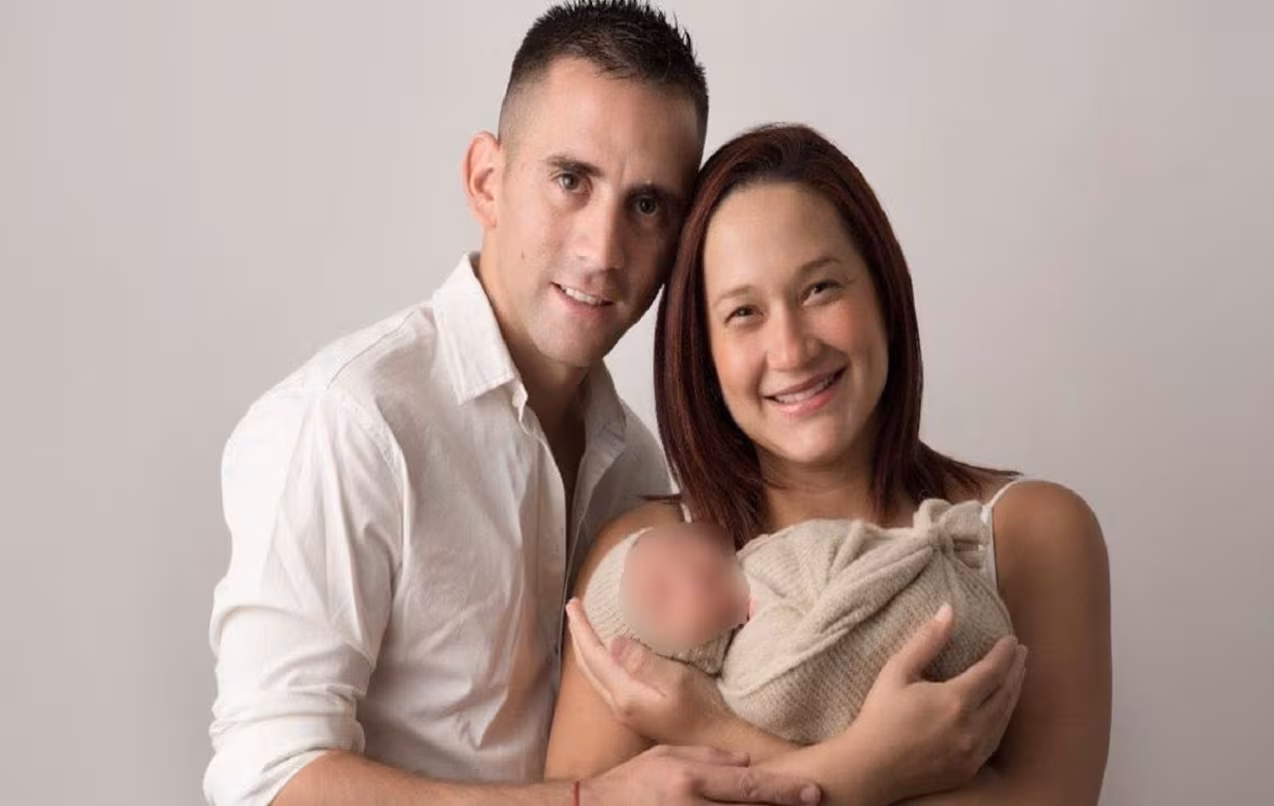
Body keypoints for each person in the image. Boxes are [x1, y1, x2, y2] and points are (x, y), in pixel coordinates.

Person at [204, 4, 826, 805]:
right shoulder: (352, 422)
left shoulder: (633, 463)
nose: (602, 250)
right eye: (571, 180)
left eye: (646, 205)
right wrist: (591, 803)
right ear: (486, 181)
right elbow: (267, 781)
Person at [547, 124, 1112, 805]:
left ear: (883, 293)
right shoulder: (645, 568)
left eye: (819, 290)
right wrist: (871, 768)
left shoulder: (1036, 535)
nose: (791, 350)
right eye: (744, 312)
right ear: (703, 352)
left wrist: (707, 725)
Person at [579, 498, 1014, 744]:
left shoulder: (756, 560)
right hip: (934, 625)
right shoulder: (751, 673)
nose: (685, 568)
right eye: (662, 593)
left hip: (948, 583)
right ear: (670, 660)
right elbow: (806, 681)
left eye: (677, 546)